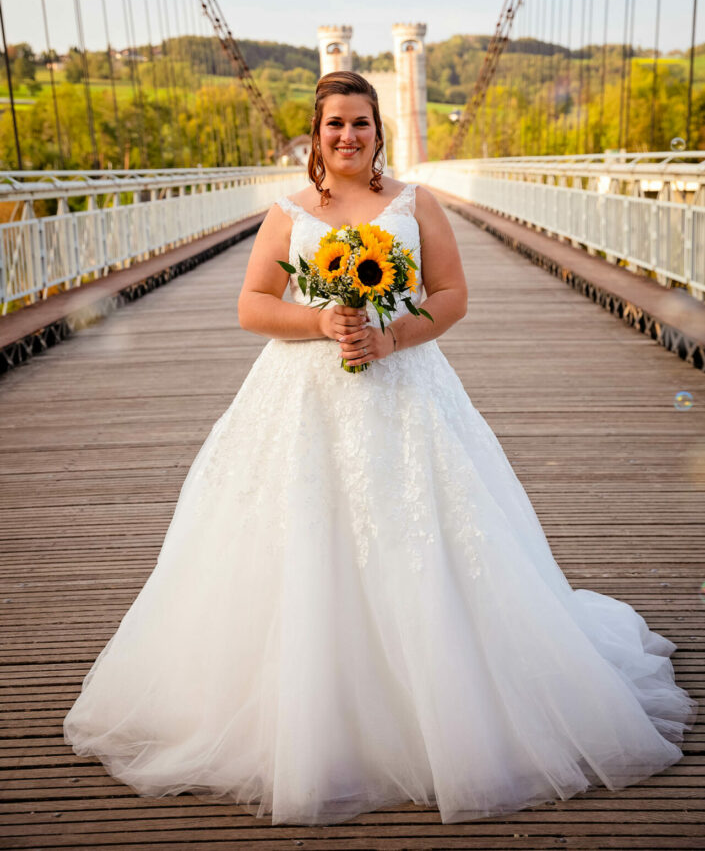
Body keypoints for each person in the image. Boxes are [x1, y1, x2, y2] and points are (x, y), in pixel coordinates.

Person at [63, 70, 698, 827]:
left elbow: (452, 292)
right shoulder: (287, 213)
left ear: (378, 131)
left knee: (420, 528)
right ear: (315, 135)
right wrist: (321, 324)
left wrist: (391, 334)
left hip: (406, 387)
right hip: (304, 399)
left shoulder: (413, 204)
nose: (347, 137)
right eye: (334, 125)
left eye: (360, 124)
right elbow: (252, 305)